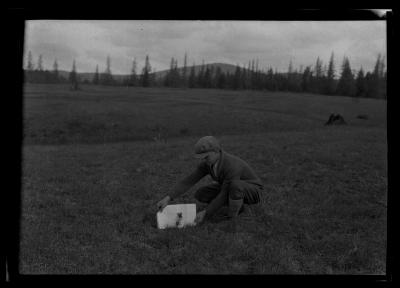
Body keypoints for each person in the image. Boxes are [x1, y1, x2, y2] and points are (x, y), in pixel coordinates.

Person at [156, 136, 264, 225]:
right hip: (229, 187)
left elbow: (224, 193)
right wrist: (168, 198)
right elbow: (189, 180)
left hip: (252, 191)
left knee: (235, 186)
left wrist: (206, 213)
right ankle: (236, 205)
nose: (204, 160)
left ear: (216, 151)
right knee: (201, 194)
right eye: (202, 157)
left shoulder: (232, 165)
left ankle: (232, 218)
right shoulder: (207, 164)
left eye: (206, 157)